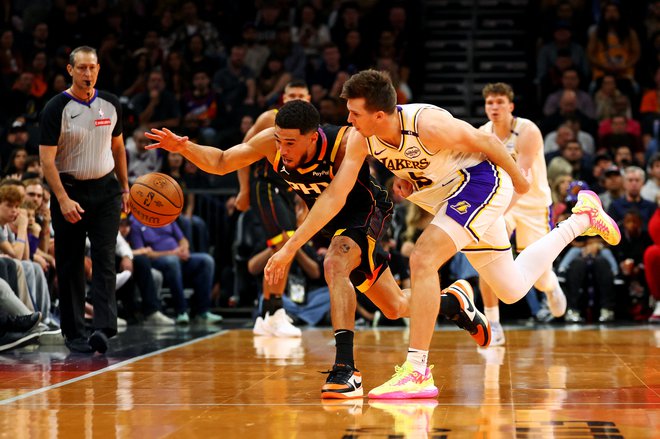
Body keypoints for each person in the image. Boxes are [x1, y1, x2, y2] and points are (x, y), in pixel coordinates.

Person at [263, 69, 621, 399]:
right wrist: (408, 178)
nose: (348, 120)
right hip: (448, 197)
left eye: (354, 113)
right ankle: (581, 219)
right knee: (510, 289)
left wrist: (521, 181)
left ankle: (417, 370)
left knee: (422, 257)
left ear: (379, 115)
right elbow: (336, 194)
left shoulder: (427, 123)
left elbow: (487, 143)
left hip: (480, 184)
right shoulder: (361, 138)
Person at [145, 100, 489, 399]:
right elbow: (221, 160)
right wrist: (183, 147)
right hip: (329, 223)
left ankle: (346, 370)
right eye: (280, 141)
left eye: (291, 143)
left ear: (314, 136)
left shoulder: (342, 142)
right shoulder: (272, 142)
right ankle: (452, 303)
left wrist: (289, 248)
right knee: (395, 307)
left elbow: (340, 192)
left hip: (364, 211)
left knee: (334, 264)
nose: (284, 149)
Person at [39, 45, 130, 354]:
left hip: (106, 191)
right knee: (70, 262)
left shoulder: (111, 104)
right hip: (70, 190)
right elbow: (46, 161)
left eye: (92, 68)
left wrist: (126, 188)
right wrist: (62, 199)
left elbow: (118, 149)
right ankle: (75, 332)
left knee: (105, 257)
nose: (87, 73)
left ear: (98, 69)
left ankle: (103, 328)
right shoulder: (55, 107)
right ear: (70, 70)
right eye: (81, 68)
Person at [478, 83, 567, 346]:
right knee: (486, 256)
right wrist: (490, 212)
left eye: (499, 102)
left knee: (539, 277)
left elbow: (522, 178)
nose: (494, 107)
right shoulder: (483, 133)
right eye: (489, 103)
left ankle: (551, 286)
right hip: (501, 203)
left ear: (510, 106)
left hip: (532, 203)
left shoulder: (528, 131)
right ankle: (493, 323)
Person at [235, 79, 312, 337]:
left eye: (301, 94)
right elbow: (242, 151)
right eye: (292, 94)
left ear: (309, 98)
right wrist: (244, 189)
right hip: (265, 185)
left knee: (282, 247)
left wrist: (303, 198)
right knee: (285, 244)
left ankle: (267, 314)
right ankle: (274, 311)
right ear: (283, 97)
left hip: (288, 191)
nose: (296, 98)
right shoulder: (270, 119)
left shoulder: (309, 125)